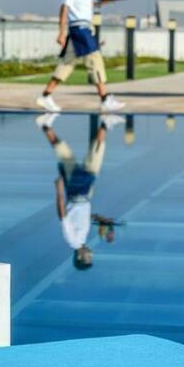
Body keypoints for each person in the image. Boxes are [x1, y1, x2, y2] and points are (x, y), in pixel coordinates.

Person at [36, 0, 125, 113]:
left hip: (82, 28)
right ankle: (105, 99)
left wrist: (102, 2)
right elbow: (65, 6)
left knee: (66, 64)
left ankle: (46, 96)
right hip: (80, 29)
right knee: (95, 60)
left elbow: (84, 6)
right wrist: (61, 32)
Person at [36, 112, 121, 270]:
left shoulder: (73, 240)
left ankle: (105, 123)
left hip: (76, 191)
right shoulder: (80, 240)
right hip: (84, 193)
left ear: (80, 257)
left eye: (89, 257)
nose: (91, 254)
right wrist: (99, 218)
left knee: (92, 159)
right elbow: (79, 216)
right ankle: (45, 125)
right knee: (66, 154)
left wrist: (59, 189)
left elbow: (63, 216)